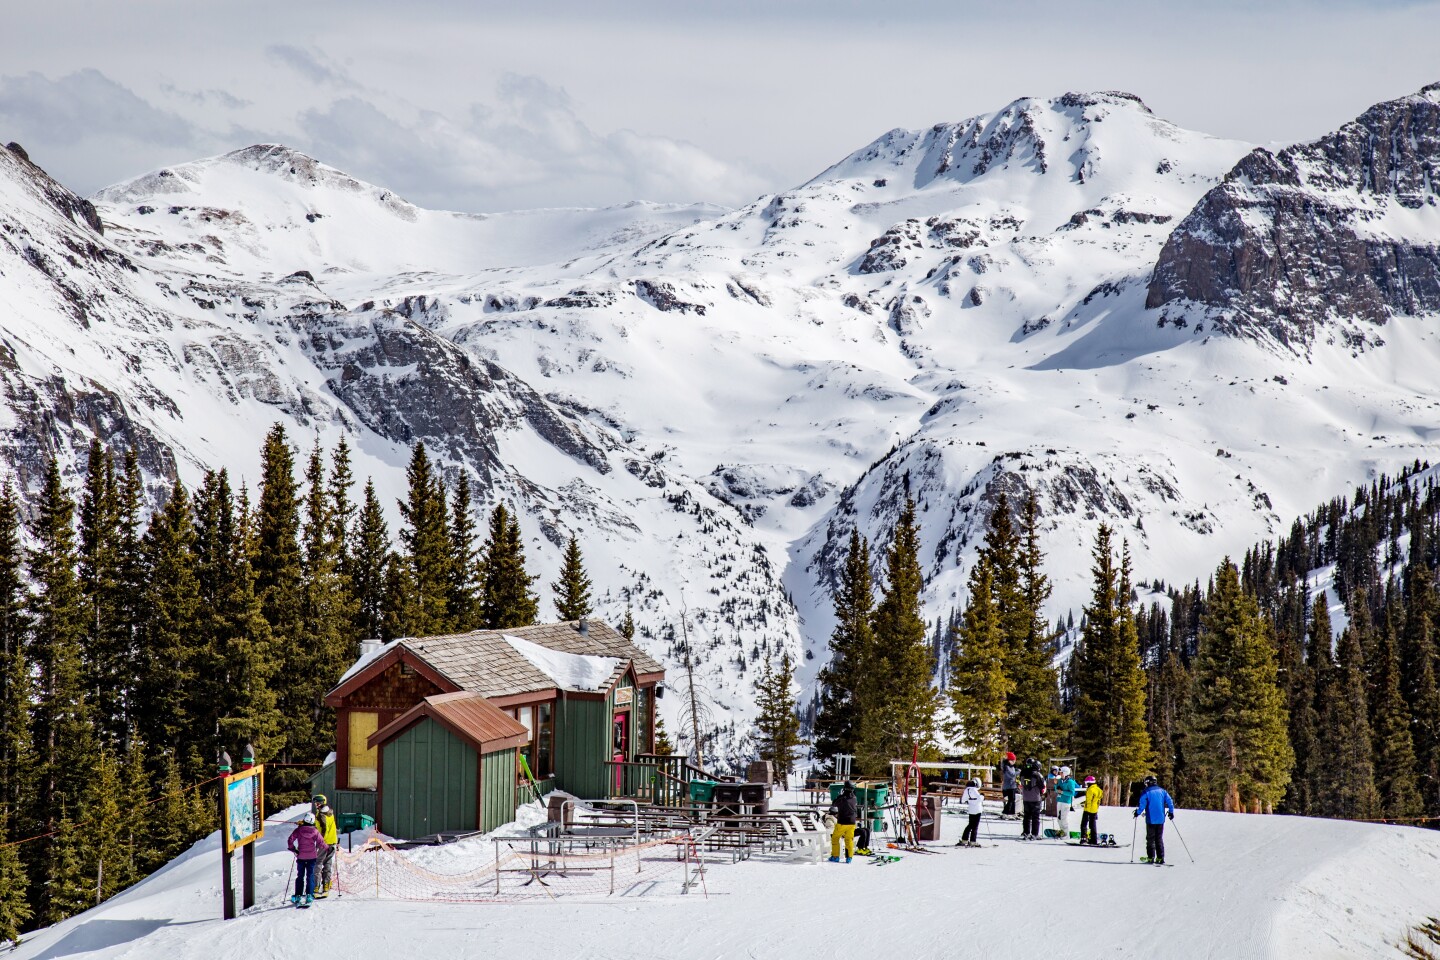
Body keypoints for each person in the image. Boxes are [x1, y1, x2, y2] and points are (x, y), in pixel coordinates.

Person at [288, 812, 329, 906]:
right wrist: (328, 848)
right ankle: (309, 895)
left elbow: (290, 839)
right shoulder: (315, 831)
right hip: (312, 857)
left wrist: (293, 849)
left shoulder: (298, 830)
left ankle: (298, 895)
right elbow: (321, 842)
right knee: (310, 876)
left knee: (300, 876)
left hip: (301, 856)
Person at [1134, 775, 1176, 864]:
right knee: (1159, 838)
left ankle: (1151, 857)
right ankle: (1160, 857)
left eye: (1146, 783)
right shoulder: (1163, 791)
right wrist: (1171, 812)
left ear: (1149, 782)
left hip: (1151, 819)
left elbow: (1142, 805)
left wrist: (1137, 813)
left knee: (1150, 839)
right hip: (1161, 819)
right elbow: (1170, 801)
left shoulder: (1146, 792)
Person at [827, 780, 859, 863]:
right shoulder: (854, 798)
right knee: (849, 840)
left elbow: (834, 804)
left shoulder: (842, 798)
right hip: (852, 822)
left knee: (835, 838)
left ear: (845, 788)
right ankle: (849, 857)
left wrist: (839, 795)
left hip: (842, 822)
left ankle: (835, 856)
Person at [314, 803, 339, 897]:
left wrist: (321, 841)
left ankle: (316, 886)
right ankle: (326, 885)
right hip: (332, 842)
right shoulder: (330, 813)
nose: (315, 804)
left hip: (324, 843)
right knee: (327, 863)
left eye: (317, 802)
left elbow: (324, 828)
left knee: (318, 863)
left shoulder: (321, 814)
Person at [1019, 758, 1045, 840]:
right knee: (1035, 817)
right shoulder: (1037, 774)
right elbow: (1042, 786)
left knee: (1026, 816)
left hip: (1026, 797)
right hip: (1035, 798)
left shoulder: (1022, 773)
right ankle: (1035, 833)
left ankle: (1026, 832)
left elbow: (1021, 782)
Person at [956, 777, 984, 847]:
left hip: (971, 810)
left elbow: (963, 800)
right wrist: (983, 796)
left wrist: (969, 800)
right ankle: (973, 841)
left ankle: (964, 839)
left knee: (970, 825)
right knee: (975, 826)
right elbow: (979, 799)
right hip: (977, 810)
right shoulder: (975, 790)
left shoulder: (967, 790)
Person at [1054, 767, 1079, 839]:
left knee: (1064, 818)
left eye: (1061, 773)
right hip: (1059, 800)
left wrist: (1062, 792)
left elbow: (1072, 793)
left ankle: (1066, 834)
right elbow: (1056, 790)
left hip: (1066, 802)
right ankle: (1062, 831)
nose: (1060, 774)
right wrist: (1056, 785)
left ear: (1065, 773)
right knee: (1059, 818)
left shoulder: (1070, 782)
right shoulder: (1060, 781)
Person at [1080, 775, 1103, 845]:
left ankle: (1084, 838)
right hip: (1095, 809)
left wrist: (1086, 809)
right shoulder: (1098, 789)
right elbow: (1098, 800)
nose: (1086, 784)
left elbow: (1089, 801)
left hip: (1088, 809)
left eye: (1087, 783)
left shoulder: (1090, 790)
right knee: (1092, 825)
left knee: (1083, 824)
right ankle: (1094, 839)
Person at [1001, 753, 1018, 818]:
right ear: (1009, 760)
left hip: (1012, 786)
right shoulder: (1006, 767)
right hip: (1008, 786)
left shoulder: (1011, 767)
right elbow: (1012, 775)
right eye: (1013, 760)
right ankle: (1006, 812)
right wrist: (1018, 772)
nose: (1014, 762)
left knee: (1013, 800)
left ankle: (1012, 812)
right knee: (1010, 800)